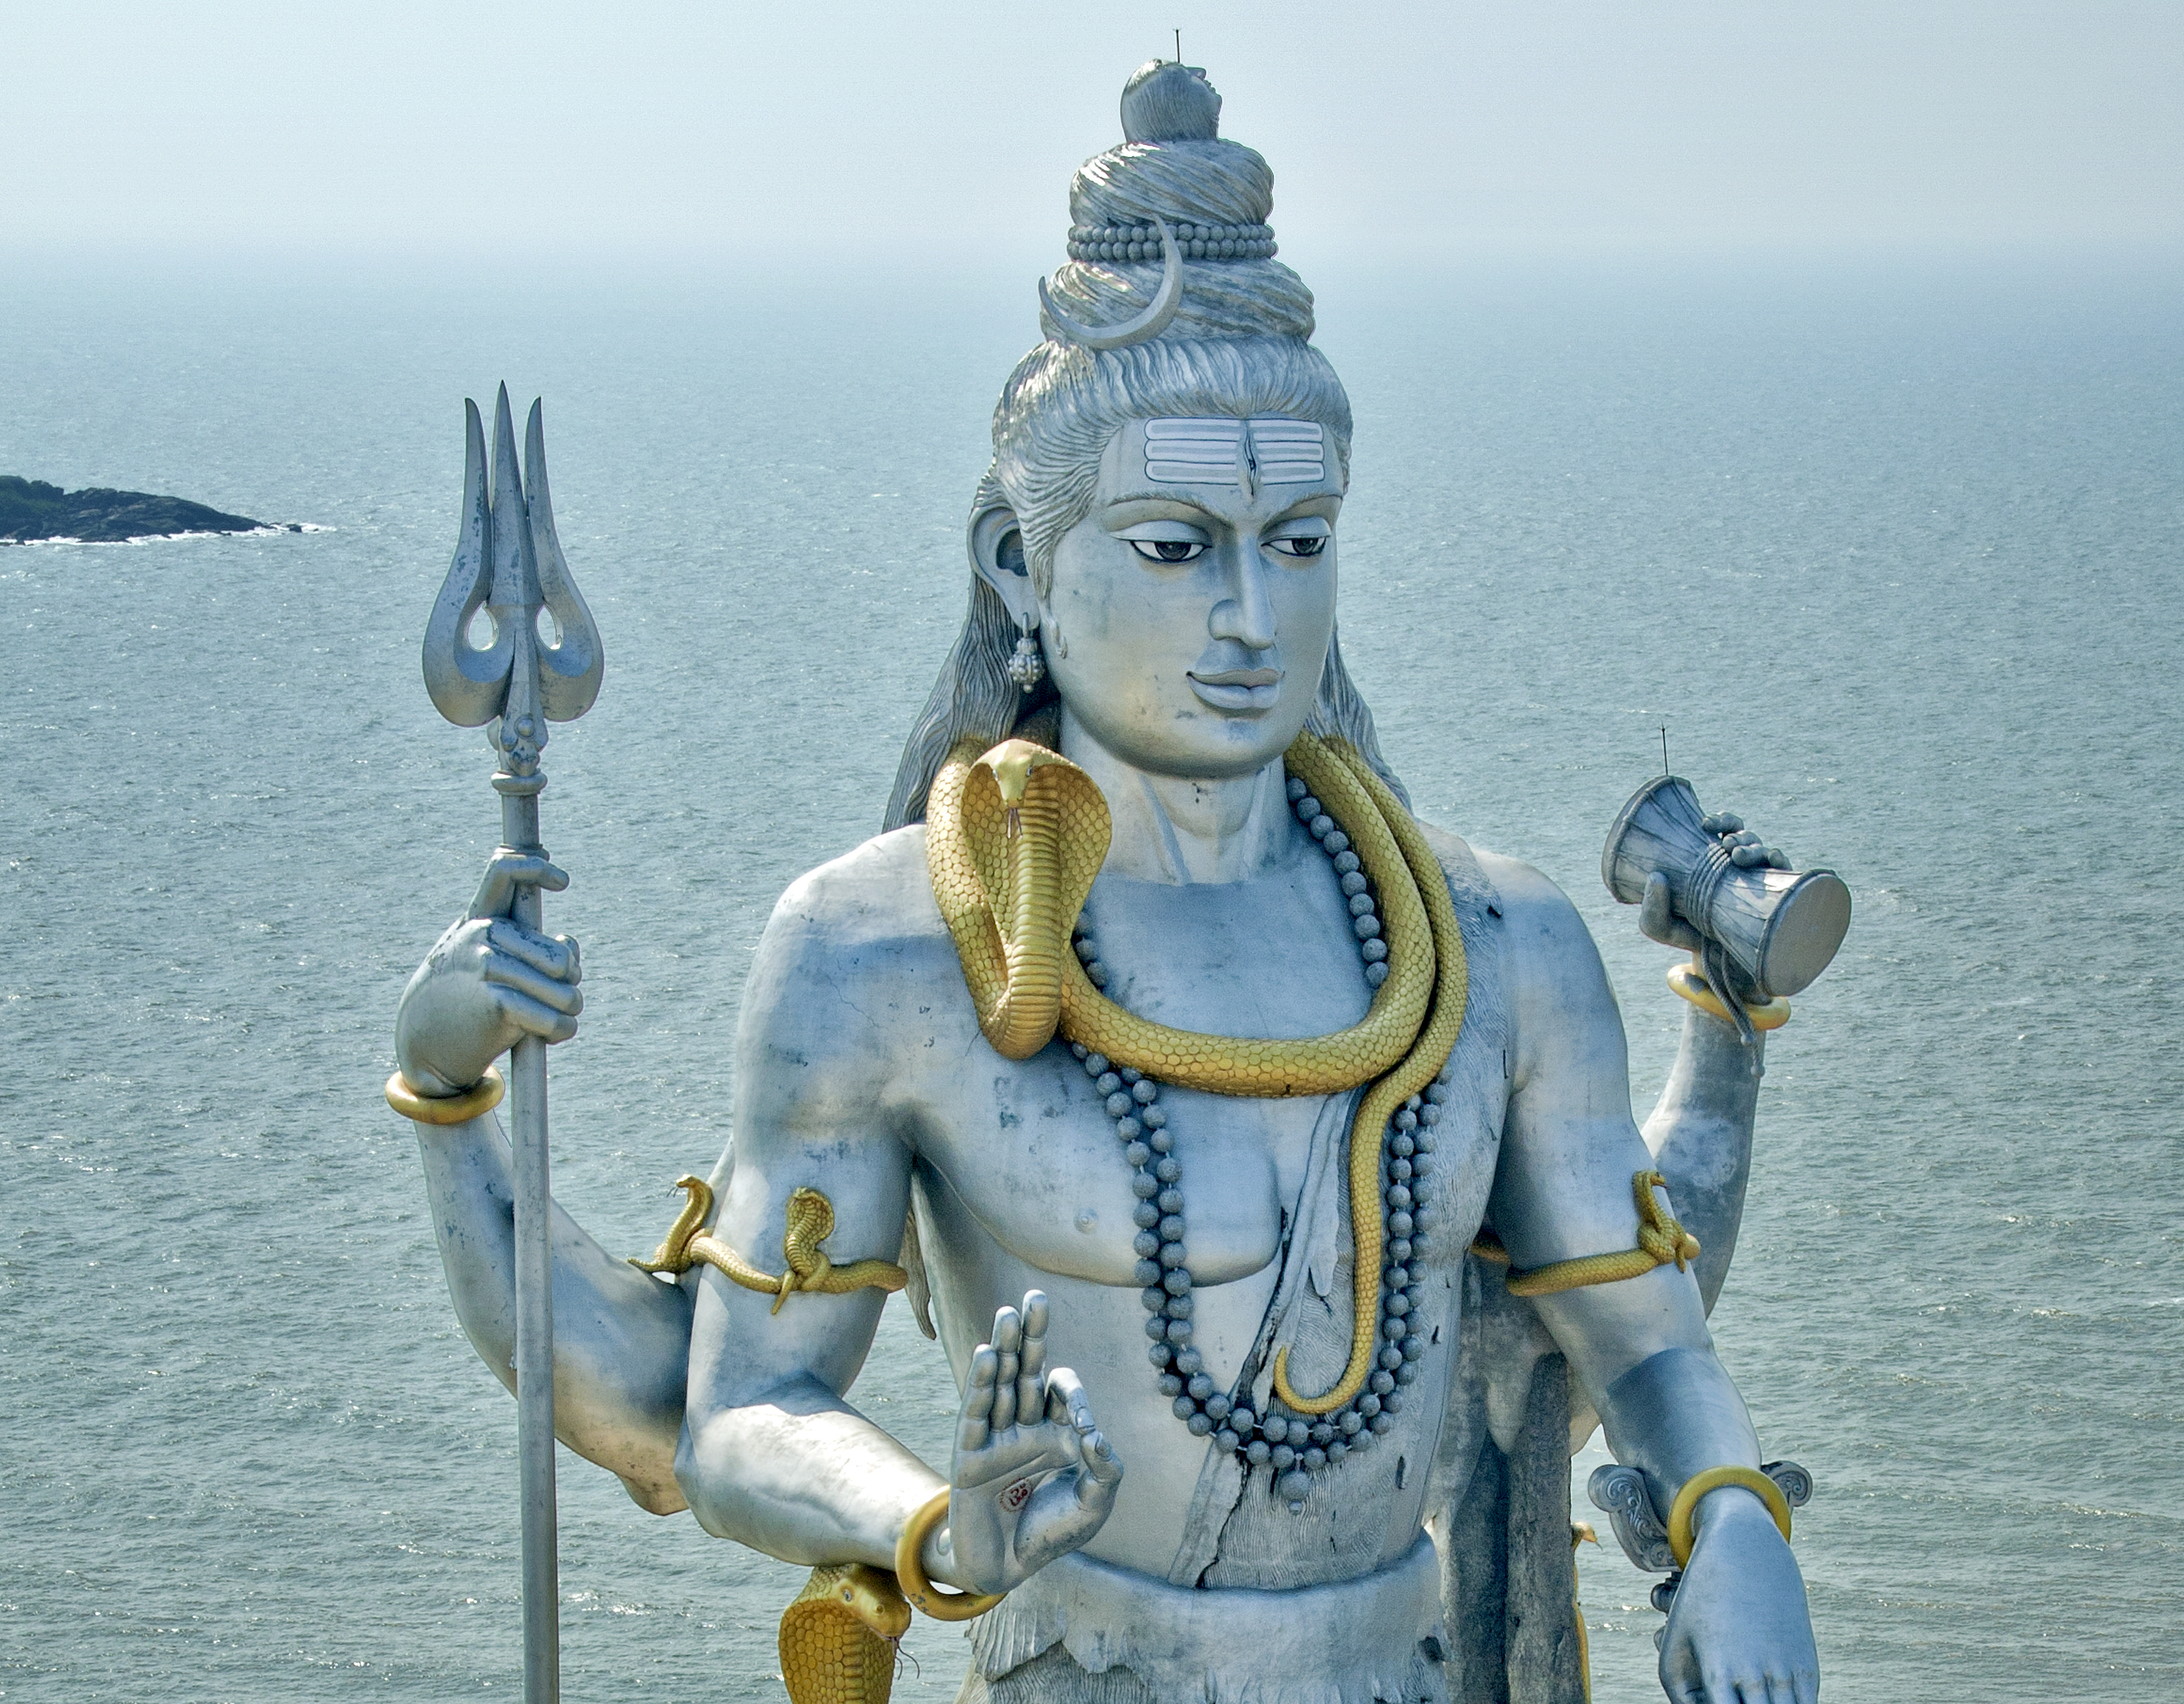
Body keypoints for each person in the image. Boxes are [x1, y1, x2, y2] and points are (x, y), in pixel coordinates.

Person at [389, 60, 1819, 1704]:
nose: (1248, 618)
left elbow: (1640, 1332)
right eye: (1171, 545)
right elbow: (732, 1413)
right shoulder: (881, 954)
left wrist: (1730, 1524)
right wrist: (934, 1522)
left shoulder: (1493, 943)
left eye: (1296, 542)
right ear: (1020, 562)